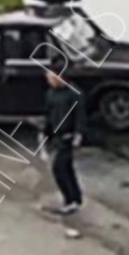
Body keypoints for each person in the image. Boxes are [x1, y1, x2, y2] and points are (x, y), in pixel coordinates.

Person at [43, 58, 85, 216]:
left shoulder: (74, 94)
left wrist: (78, 134)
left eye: (51, 76)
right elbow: (49, 115)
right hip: (56, 135)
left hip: (68, 135)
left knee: (59, 168)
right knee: (66, 168)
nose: (49, 79)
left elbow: (80, 115)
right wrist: (45, 133)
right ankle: (75, 198)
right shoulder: (51, 93)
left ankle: (70, 200)